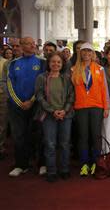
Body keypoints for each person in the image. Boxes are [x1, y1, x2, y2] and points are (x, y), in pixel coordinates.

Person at [6, 37, 46, 177]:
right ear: (22, 46)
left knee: (39, 134)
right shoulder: (13, 64)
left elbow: (43, 84)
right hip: (17, 106)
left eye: (33, 43)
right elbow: (9, 84)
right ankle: (21, 165)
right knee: (19, 136)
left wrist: (31, 100)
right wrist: (19, 102)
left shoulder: (42, 62)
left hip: (36, 105)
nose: (32, 45)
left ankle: (42, 163)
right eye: (28, 43)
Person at [35, 52, 74, 182]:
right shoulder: (42, 77)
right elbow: (39, 97)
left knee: (65, 143)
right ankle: (51, 171)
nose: (56, 64)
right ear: (49, 63)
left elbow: (71, 96)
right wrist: (53, 111)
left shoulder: (67, 78)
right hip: (48, 115)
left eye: (59, 62)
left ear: (62, 64)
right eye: (53, 62)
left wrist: (64, 110)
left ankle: (64, 169)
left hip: (65, 115)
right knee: (50, 144)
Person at [71, 43, 109, 177]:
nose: (86, 53)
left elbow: (104, 89)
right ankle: (84, 164)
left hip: (97, 106)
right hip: (81, 107)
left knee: (96, 136)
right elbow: (71, 92)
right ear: (80, 53)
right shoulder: (74, 69)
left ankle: (95, 163)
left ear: (93, 53)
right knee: (83, 137)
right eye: (84, 51)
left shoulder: (100, 69)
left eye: (89, 51)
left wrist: (106, 106)